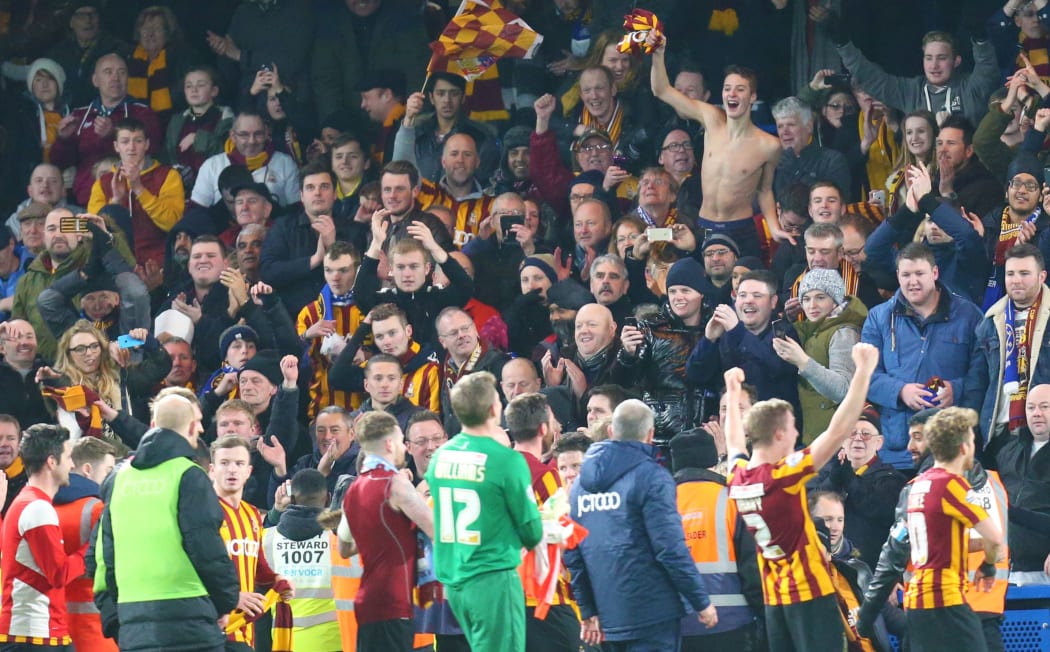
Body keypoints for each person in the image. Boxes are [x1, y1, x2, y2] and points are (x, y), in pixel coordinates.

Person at [723, 342, 879, 650]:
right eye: (793, 428)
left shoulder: (737, 477)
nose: (797, 435)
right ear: (779, 434)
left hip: (774, 597)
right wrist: (863, 371)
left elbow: (732, 441)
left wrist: (731, 389)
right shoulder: (783, 476)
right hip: (808, 593)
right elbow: (837, 432)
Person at [566, 399, 717, 650]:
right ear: (650, 435)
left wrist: (587, 609)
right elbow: (669, 548)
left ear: (612, 432)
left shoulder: (579, 487)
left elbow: (575, 554)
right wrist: (700, 601)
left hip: (608, 618)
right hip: (653, 616)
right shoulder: (653, 477)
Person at [94, 394, 240, 652]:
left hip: (132, 620)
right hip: (190, 617)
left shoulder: (118, 479)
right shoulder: (189, 475)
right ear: (192, 427)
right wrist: (225, 602)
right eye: (199, 421)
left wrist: (116, 619)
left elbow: (103, 555)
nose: (203, 428)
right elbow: (206, 548)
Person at [425, 372, 543, 652]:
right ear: (494, 409)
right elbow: (532, 531)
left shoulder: (441, 456)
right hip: (492, 579)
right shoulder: (506, 459)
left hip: (454, 581)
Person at [649, 35, 783, 258]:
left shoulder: (769, 145)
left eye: (740, 89)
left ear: (752, 97)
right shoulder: (711, 118)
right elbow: (661, 90)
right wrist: (658, 53)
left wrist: (775, 226)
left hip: (740, 229)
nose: (732, 94)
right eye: (727, 88)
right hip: (705, 226)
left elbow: (765, 190)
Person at [861, 243, 984, 468]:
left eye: (920, 273)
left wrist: (955, 389)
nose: (913, 281)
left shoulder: (969, 316)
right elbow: (865, 376)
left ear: (935, 273)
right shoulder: (878, 318)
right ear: (897, 276)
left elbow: (983, 376)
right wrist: (900, 391)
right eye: (906, 274)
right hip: (897, 451)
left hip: (951, 450)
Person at [896, 407, 1004, 652]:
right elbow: (995, 538)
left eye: (918, 437)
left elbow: (908, 546)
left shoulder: (918, 486)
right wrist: (988, 564)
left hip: (925, 604)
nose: (910, 446)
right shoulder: (970, 484)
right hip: (960, 602)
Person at [341, 411, 434, 651]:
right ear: (390, 443)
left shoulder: (354, 488)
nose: (405, 447)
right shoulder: (394, 483)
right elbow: (437, 529)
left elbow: (344, 547)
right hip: (393, 603)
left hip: (367, 603)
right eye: (402, 440)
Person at [669, 429, 763, 651]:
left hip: (674, 629)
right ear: (712, 461)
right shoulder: (732, 498)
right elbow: (753, 571)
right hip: (731, 626)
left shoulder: (657, 503)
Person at [504, 393, 579, 651]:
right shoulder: (543, 475)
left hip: (503, 598)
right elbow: (564, 534)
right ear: (543, 428)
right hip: (544, 600)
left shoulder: (495, 472)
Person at [210, 435, 291, 649]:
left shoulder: (253, 514)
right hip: (213, 629)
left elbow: (258, 566)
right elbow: (191, 569)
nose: (232, 470)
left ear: (248, 472)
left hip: (245, 629)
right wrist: (231, 597)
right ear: (211, 470)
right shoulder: (203, 512)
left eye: (239, 464)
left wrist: (276, 581)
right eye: (224, 463)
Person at [49, 53, 162, 206]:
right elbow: (59, 163)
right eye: (108, 72)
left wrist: (112, 135)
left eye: (121, 72)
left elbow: (151, 154)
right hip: (84, 204)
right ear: (95, 80)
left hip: (130, 204)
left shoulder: (143, 113)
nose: (115, 77)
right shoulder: (80, 115)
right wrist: (63, 140)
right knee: (61, 224)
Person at [0, 424, 75, 651]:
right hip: (33, 636)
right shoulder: (37, 508)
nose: (72, 464)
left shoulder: (27, 501)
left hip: (38, 632)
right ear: (51, 462)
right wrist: (89, 550)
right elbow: (58, 574)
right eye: (69, 457)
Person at [972, 243, 1050, 460]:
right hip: (1000, 434)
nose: (1016, 280)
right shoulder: (989, 322)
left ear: (1042, 276)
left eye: (1024, 273)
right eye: (1010, 273)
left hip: (1044, 433)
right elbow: (977, 384)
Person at [774, 268, 867, 443]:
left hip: (836, 441)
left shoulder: (843, 332)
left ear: (835, 300)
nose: (812, 305)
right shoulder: (811, 328)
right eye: (806, 299)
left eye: (820, 297)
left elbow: (842, 390)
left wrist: (802, 361)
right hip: (816, 436)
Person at [834, 29, 999, 126]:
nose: (934, 65)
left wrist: (981, 42)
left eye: (941, 58)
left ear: (956, 61)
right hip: (921, 174)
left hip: (968, 174)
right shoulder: (911, 90)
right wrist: (842, 43)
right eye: (928, 58)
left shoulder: (971, 87)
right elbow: (871, 77)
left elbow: (987, 68)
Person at [810, 405, 907, 569]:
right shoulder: (824, 472)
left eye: (866, 434)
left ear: (879, 443)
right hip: (824, 566)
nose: (858, 438)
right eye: (852, 433)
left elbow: (877, 507)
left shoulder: (893, 479)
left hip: (871, 569)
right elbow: (811, 507)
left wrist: (847, 477)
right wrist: (835, 477)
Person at [86, 117, 184, 265]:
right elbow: (93, 232)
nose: (131, 147)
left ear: (147, 144)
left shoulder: (167, 175)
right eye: (125, 142)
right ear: (116, 146)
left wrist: (139, 189)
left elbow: (172, 223)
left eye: (138, 141)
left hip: (159, 259)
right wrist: (115, 202)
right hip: (117, 262)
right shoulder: (103, 182)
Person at [263, 468, 341, 650]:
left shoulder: (267, 540)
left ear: (291, 499)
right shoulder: (339, 539)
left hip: (284, 643)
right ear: (328, 499)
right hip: (333, 642)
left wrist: (276, 511)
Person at [53, 437, 116, 652]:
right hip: (96, 629)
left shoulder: (44, 506)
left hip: (56, 625)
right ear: (88, 470)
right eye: (108, 470)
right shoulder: (100, 510)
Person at [996, 383, 1050, 585]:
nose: (1036, 413)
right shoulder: (1007, 452)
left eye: (1044, 407)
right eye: (1031, 407)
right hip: (1009, 570)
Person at [190, 111, 301, 209]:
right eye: (244, 135)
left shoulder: (285, 163)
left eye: (258, 134)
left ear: (267, 134)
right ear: (233, 136)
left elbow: (296, 208)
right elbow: (197, 209)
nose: (252, 141)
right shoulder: (212, 165)